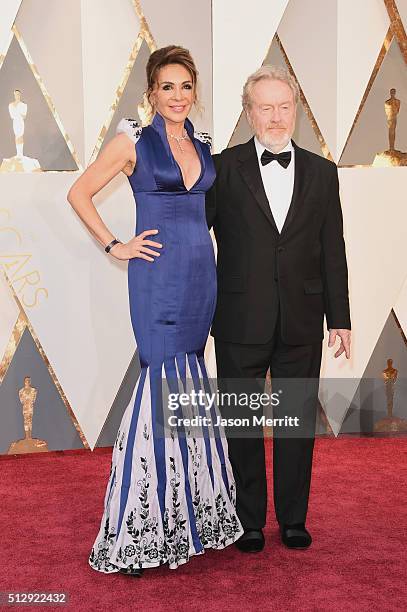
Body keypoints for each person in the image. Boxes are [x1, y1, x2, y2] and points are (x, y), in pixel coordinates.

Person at [67, 45, 243, 577]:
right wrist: (113, 244)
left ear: (195, 92)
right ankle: (139, 529)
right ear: (151, 93)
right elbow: (79, 193)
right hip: (158, 278)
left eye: (186, 86)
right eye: (167, 87)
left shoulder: (202, 143)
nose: (178, 96)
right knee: (158, 385)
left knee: (188, 380)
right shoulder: (133, 142)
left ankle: (187, 519)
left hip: (200, 277)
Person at [205, 65, 351, 553]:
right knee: (242, 425)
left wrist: (341, 318)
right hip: (239, 318)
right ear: (248, 113)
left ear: (296, 111)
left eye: (284, 106)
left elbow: (334, 248)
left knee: (295, 424)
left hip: (302, 318)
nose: (275, 116)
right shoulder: (223, 168)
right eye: (265, 107)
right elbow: (193, 238)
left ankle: (292, 519)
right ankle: (247, 520)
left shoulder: (322, 171)